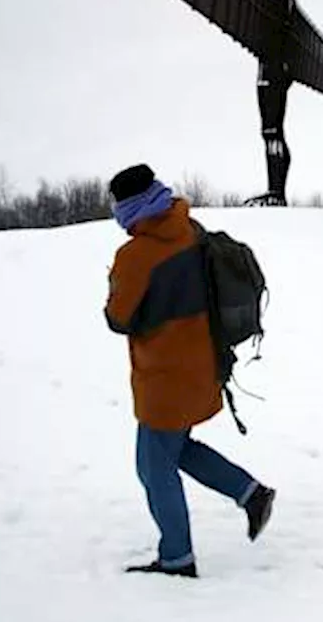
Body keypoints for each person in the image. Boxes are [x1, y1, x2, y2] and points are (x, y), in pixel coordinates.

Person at [104, 163, 276, 577]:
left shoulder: (136, 255)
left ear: (129, 206)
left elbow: (118, 318)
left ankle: (177, 557)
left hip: (164, 377)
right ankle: (251, 494)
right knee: (175, 449)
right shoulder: (190, 229)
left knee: (153, 464)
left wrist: (115, 287)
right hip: (204, 364)